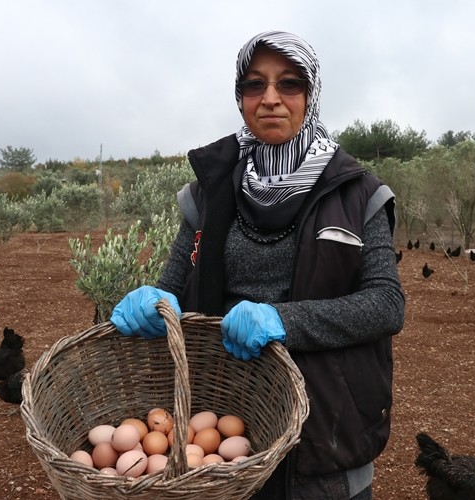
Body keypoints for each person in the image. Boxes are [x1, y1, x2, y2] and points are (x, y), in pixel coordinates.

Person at [111, 30, 405, 499]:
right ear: (240, 97)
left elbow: (386, 305)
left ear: (311, 96)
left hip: (323, 433)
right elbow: (174, 282)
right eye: (254, 85)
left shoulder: (358, 194)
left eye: (289, 83)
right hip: (225, 430)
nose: (270, 98)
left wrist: (283, 320)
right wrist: (158, 299)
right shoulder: (208, 192)